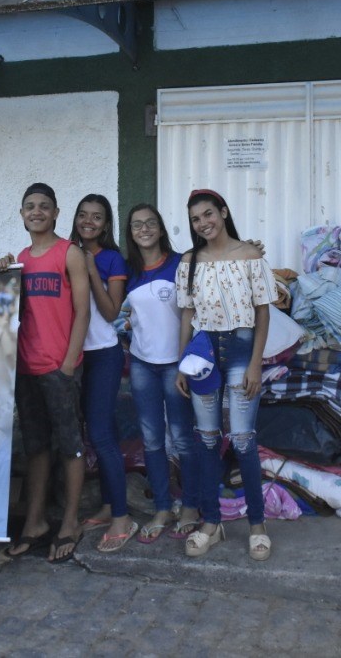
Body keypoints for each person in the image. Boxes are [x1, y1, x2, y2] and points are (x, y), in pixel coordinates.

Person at [176, 189, 278, 562]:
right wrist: (181, 363)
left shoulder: (250, 256)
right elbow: (186, 314)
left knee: (242, 439)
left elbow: (263, 312)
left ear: (223, 212)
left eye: (208, 214)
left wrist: (255, 364)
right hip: (202, 352)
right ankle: (212, 523)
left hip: (240, 350)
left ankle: (257, 525)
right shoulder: (190, 261)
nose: (203, 223)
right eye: (195, 219)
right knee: (205, 439)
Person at [0, 183, 90, 563]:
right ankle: (33, 522)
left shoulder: (70, 254)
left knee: (70, 445)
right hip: (26, 368)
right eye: (30, 206)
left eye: (44, 207)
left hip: (59, 368)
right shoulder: (19, 259)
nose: (37, 212)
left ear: (55, 213)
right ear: (21, 214)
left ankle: (69, 522)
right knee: (35, 447)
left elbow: (83, 312)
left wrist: (69, 364)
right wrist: (2, 271)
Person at [121, 203, 203, 545]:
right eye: (137, 225)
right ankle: (163, 508)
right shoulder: (128, 271)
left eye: (150, 223)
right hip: (142, 363)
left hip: (176, 364)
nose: (144, 229)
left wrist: (251, 249)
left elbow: (216, 262)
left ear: (161, 227)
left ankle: (192, 506)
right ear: (131, 232)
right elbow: (121, 312)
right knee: (153, 440)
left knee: (183, 438)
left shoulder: (180, 263)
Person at [69, 194, 137, 552]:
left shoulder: (111, 258)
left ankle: (123, 517)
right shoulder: (65, 251)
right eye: (83, 215)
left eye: (97, 217)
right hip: (75, 355)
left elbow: (111, 312)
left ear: (106, 224)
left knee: (101, 434)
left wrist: (91, 267)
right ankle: (110, 504)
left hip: (103, 354)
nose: (89, 222)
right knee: (99, 433)